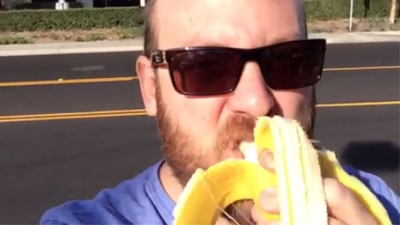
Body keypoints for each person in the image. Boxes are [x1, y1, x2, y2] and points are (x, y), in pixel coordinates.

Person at [39, 0, 400, 224]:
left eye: (289, 61)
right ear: (150, 88)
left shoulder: (376, 202)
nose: (258, 102)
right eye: (205, 66)